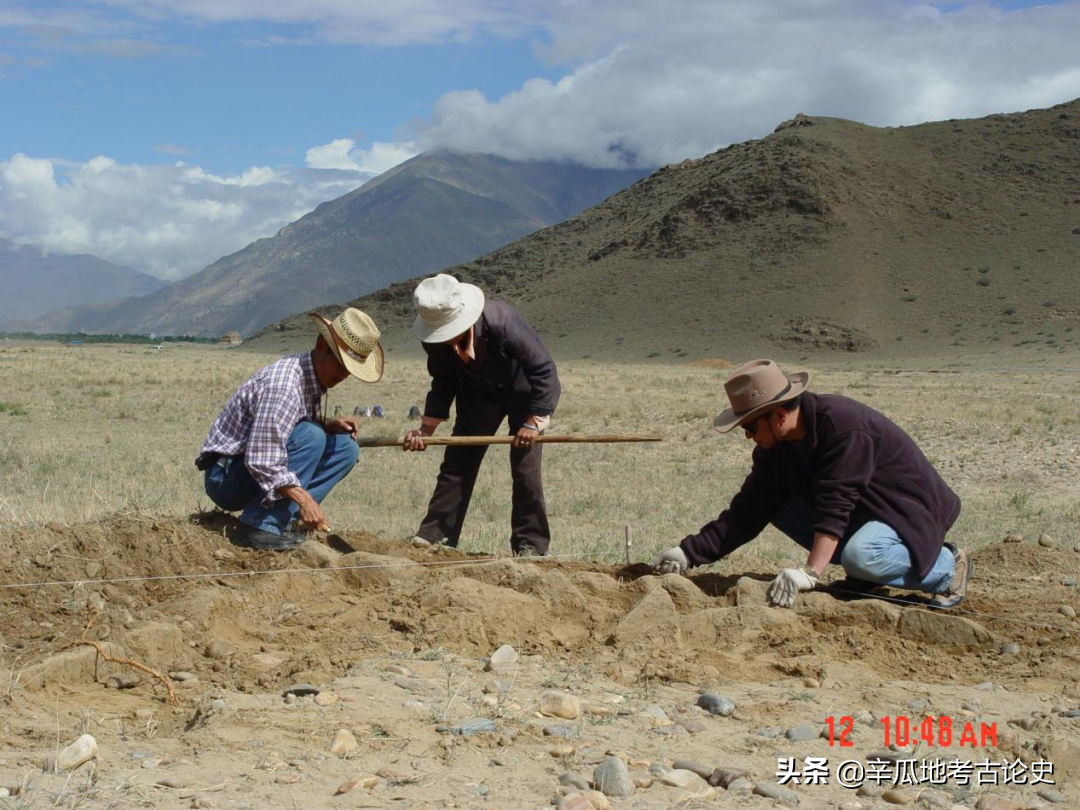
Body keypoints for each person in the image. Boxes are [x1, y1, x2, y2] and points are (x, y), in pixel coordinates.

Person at [652, 359, 971, 609]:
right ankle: (862, 572)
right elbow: (748, 509)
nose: (747, 436)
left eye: (749, 426)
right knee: (774, 505)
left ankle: (946, 565)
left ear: (777, 417)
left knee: (863, 555)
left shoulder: (843, 428)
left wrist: (810, 572)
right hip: (866, 511)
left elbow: (837, 502)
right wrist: (689, 552)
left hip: (909, 512)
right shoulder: (777, 448)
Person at [196, 308, 384, 550]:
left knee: (346, 447)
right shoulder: (284, 386)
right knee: (311, 436)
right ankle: (260, 526)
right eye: (340, 363)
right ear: (320, 346)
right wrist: (305, 499)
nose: (343, 375)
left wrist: (328, 424)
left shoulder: (308, 377)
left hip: (247, 472)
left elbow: (288, 423)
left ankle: (282, 520)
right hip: (226, 477)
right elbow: (261, 459)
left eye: (349, 369)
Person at [403, 274, 560, 557]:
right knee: (457, 462)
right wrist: (426, 430)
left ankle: (531, 547)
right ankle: (434, 536)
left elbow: (543, 370)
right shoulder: (433, 341)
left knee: (526, 470)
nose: (445, 339)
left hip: (522, 389)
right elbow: (443, 381)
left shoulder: (503, 322)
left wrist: (533, 422)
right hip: (476, 393)